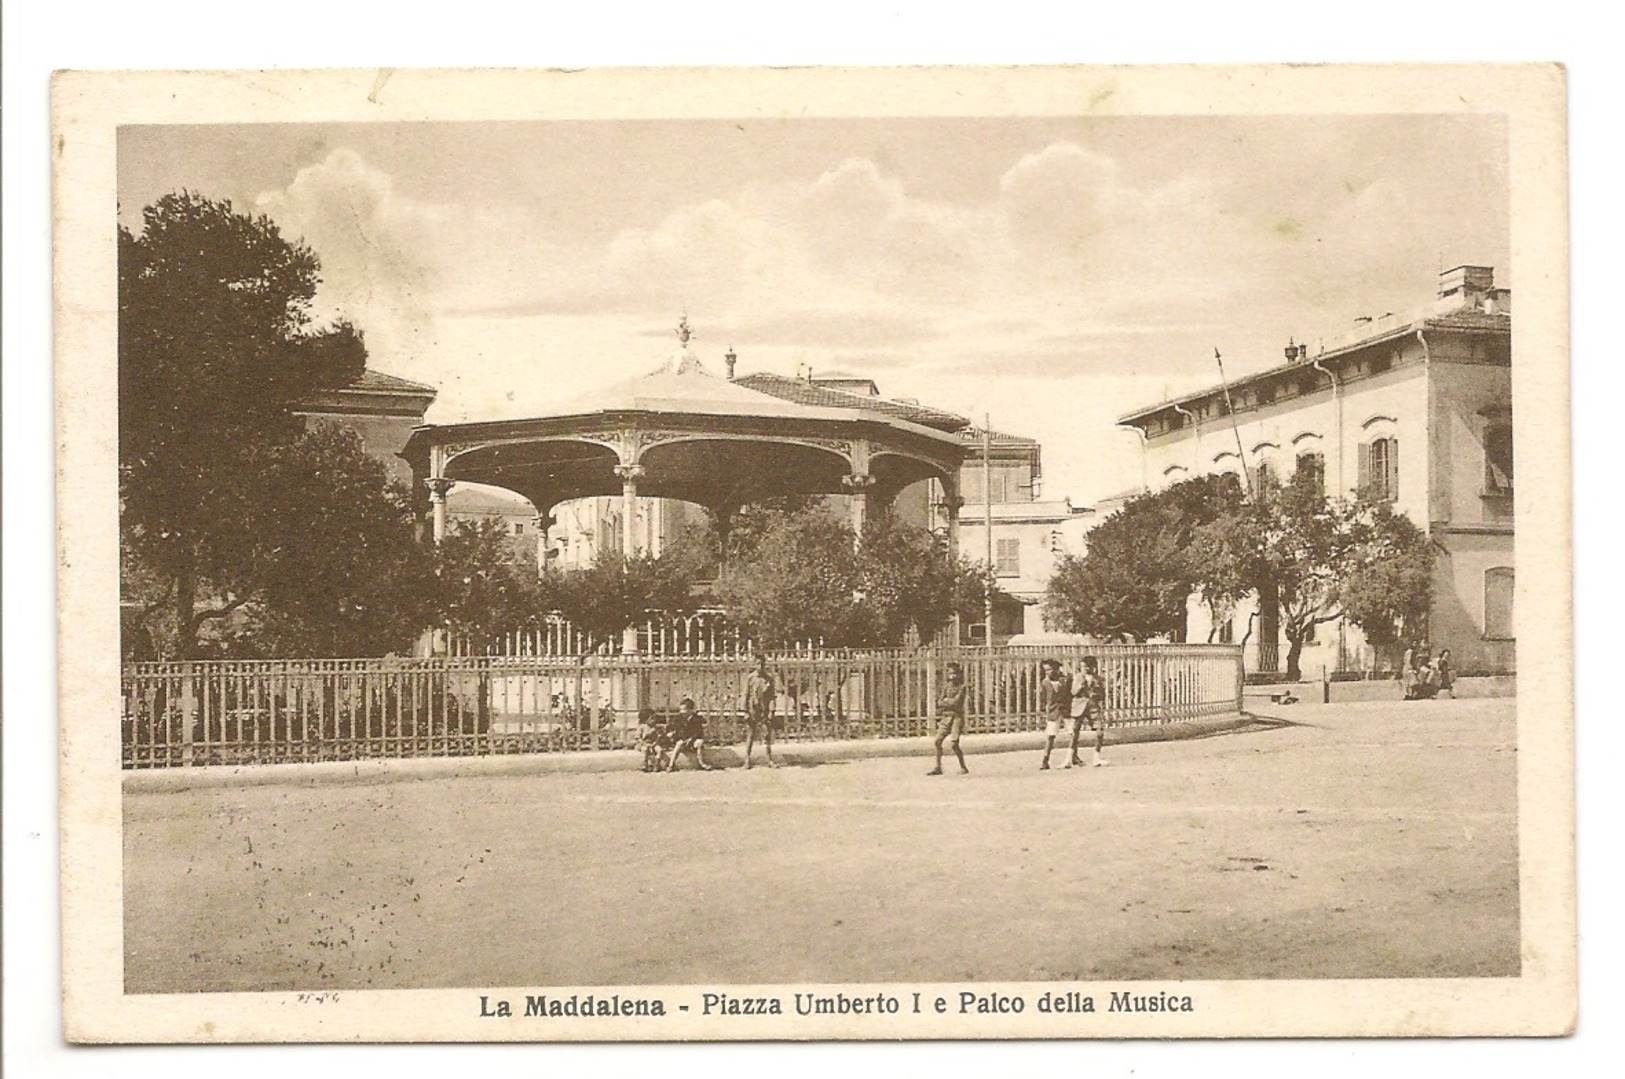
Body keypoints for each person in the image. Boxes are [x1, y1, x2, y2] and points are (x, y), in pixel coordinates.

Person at [928, 662, 969, 776]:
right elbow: (939, 702)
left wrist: (947, 701)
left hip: (957, 718)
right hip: (946, 718)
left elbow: (957, 702)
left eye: (955, 673)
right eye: (950, 673)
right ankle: (938, 767)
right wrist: (946, 702)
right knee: (937, 741)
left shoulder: (962, 687)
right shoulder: (946, 686)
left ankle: (963, 767)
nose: (953, 676)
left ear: (959, 674)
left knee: (954, 744)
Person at [1069, 656, 1109, 767]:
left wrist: (1096, 693)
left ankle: (1096, 756)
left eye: (1087, 667)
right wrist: (1081, 686)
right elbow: (1073, 692)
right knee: (1075, 732)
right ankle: (1072, 756)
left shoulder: (1099, 679)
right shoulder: (1077, 677)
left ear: (1093, 667)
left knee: (1099, 732)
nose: (1084, 669)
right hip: (1079, 706)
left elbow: (1102, 695)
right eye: (1082, 667)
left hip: (1093, 707)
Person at [742, 654, 780, 769]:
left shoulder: (769, 678)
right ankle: (747, 760)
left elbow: (772, 696)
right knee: (750, 735)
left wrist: (771, 710)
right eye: (758, 663)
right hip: (753, 709)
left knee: (767, 735)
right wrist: (745, 711)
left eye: (762, 664)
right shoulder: (750, 678)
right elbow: (745, 695)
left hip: (765, 710)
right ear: (754, 665)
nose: (760, 666)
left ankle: (769, 760)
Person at [1037, 659, 1073, 771]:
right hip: (1053, 711)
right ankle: (1045, 760)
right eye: (1046, 670)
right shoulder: (1045, 682)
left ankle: (1072, 756)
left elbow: (1071, 694)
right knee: (1050, 735)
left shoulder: (1066, 680)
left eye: (1050, 669)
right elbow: (1043, 697)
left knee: (1072, 733)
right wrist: (1046, 708)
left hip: (1067, 710)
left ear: (1057, 668)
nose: (1048, 672)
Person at [666, 697, 717, 772]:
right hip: (682, 740)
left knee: (699, 742)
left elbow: (698, 732)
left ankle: (701, 763)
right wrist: (673, 735)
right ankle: (671, 765)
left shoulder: (696, 719)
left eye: (684, 710)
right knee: (679, 744)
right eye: (681, 710)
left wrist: (691, 739)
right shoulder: (678, 718)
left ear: (691, 710)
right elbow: (673, 729)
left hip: (693, 740)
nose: (682, 712)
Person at [636, 708, 666, 773]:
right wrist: (645, 744)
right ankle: (645, 764)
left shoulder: (654, 727)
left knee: (659, 750)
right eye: (652, 718)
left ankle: (657, 764)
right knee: (646, 750)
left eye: (654, 718)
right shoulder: (642, 727)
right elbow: (638, 738)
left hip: (653, 743)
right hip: (644, 743)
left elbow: (657, 737)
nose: (654, 720)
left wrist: (654, 743)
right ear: (645, 719)